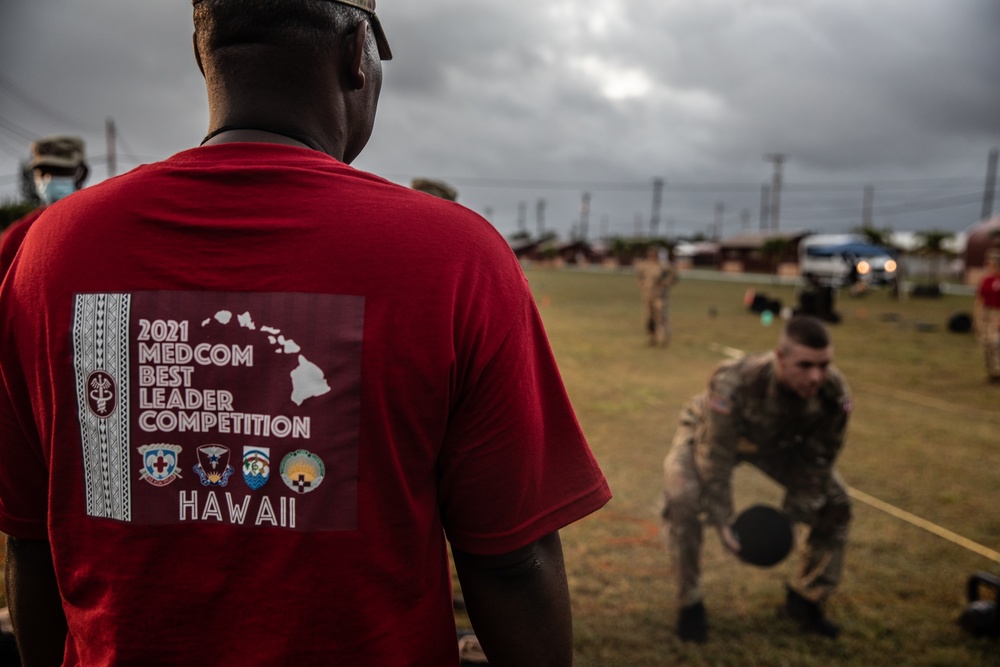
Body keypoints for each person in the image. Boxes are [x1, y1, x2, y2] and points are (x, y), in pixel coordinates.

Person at [0, 1, 611, 665]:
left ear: (202, 53)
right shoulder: (455, 256)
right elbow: (511, 559)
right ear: (357, 54)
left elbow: (31, 542)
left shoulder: (48, 252)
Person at [661, 315, 852, 642]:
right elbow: (715, 455)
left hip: (775, 442)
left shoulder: (833, 395)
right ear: (780, 357)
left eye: (824, 364)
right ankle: (689, 603)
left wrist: (793, 519)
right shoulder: (732, 382)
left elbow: (816, 464)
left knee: (837, 502)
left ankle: (806, 600)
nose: (816, 376)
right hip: (711, 433)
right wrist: (722, 518)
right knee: (683, 499)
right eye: (804, 365)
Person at [0, 135, 89, 277]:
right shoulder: (18, 236)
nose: (50, 179)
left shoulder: (98, 224)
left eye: (61, 171)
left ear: (82, 173)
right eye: (43, 172)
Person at [635, 246, 677, 346]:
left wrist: (666, 284)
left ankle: (663, 339)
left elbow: (674, 275)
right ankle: (651, 338)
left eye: (654, 254)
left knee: (661, 317)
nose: (652, 256)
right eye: (650, 254)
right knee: (649, 318)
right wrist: (642, 285)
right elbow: (639, 276)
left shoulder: (663, 265)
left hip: (659, 296)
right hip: (647, 296)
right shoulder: (645, 265)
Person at [974, 248, 1000, 382]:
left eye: (990, 262)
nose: (988, 265)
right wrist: (977, 318)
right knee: (985, 343)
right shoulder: (986, 280)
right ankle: (992, 373)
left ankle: (998, 371)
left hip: (997, 313)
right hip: (986, 312)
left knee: (994, 342)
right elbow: (980, 300)